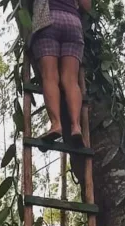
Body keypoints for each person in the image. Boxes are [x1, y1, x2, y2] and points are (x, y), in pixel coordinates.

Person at [30, 0, 91, 145]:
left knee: (50, 76)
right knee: (71, 80)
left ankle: (56, 125)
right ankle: (76, 126)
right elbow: (87, 6)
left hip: (48, 20)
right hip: (73, 23)